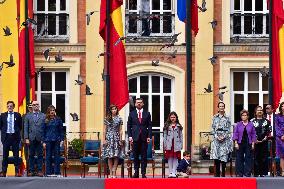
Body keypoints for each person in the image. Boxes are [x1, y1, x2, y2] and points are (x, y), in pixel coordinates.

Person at [127, 98, 152, 178]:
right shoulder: (131, 114)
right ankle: (136, 172)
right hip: (135, 138)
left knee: (144, 156)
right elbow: (129, 126)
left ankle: (143, 172)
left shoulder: (147, 113)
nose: (139, 104)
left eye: (140, 103)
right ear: (135, 104)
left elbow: (149, 126)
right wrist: (130, 136)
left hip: (144, 138)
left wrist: (149, 136)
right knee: (135, 156)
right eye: (137, 103)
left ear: (143, 104)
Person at [210, 102, 232, 177]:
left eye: (223, 106)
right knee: (216, 157)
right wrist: (216, 136)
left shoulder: (227, 117)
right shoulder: (214, 117)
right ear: (218, 108)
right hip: (216, 140)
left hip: (224, 140)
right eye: (220, 106)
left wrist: (224, 136)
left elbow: (229, 129)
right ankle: (217, 175)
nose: (221, 107)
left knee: (223, 158)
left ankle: (223, 175)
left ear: (224, 107)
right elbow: (212, 129)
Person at [0, 101, 22, 177]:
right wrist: (3, 137)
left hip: (15, 137)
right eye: (8, 106)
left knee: (16, 155)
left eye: (11, 106)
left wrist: (17, 135)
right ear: (7, 107)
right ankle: (3, 171)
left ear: (13, 107)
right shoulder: (3, 115)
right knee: (5, 155)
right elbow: (1, 126)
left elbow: (20, 126)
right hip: (6, 137)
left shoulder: (18, 115)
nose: (9, 107)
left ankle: (17, 171)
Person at [24, 101, 45, 177]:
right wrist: (26, 138)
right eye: (34, 105)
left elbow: (45, 128)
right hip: (31, 138)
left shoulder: (43, 115)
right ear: (32, 106)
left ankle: (39, 171)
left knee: (40, 155)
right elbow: (26, 128)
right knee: (31, 155)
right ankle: (31, 171)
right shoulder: (27, 116)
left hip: (40, 138)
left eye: (37, 104)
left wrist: (44, 139)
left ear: (39, 106)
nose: (35, 106)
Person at [42, 105, 64, 176]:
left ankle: (57, 172)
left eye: (53, 110)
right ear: (48, 112)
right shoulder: (45, 120)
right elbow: (43, 131)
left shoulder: (58, 119)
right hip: (48, 140)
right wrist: (43, 141)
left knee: (57, 156)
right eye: (51, 110)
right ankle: (49, 172)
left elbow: (61, 130)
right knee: (48, 156)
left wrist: (62, 140)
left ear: (55, 111)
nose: (52, 111)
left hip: (56, 140)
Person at [102, 104, 123, 178]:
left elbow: (120, 130)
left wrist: (120, 140)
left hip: (116, 138)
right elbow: (104, 130)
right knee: (109, 156)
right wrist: (104, 139)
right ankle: (110, 172)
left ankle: (114, 171)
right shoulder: (107, 119)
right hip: (109, 138)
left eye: (115, 109)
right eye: (112, 109)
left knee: (116, 155)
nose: (114, 110)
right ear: (110, 110)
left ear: (117, 110)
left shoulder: (119, 118)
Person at [233, 109, 256, 177]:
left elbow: (253, 134)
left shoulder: (251, 124)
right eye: (242, 115)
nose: (244, 116)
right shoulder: (238, 124)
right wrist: (236, 143)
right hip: (240, 142)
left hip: (248, 142)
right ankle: (240, 173)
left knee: (248, 158)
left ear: (248, 116)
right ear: (241, 116)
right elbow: (235, 133)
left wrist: (253, 144)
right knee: (239, 158)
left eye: (245, 115)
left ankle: (247, 173)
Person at [251, 106, 271, 177]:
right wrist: (254, 139)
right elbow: (250, 132)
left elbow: (269, 131)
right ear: (255, 112)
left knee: (263, 157)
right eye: (258, 110)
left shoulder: (267, 121)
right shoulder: (252, 121)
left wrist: (266, 137)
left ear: (262, 112)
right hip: (255, 142)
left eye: (261, 110)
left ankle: (263, 173)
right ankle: (256, 173)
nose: (259, 111)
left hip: (264, 141)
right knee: (256, 157)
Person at [163, 111, 183, 178]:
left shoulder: (179, 126)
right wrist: (165, 144)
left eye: (174, 117)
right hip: (169, 144)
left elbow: (181, 136)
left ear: (176, 118)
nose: (173, 118)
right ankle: (170, 172)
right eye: (171, 117)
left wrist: (181, 145)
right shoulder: (167, 126)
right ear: (169, 118)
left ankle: (174, 172)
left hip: (176, 144)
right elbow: (164, 136)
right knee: (170, 158)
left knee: (175, 158)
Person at [275, 102, 284, 177]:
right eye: (282, 106)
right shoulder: (277, 116)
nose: (283, 107)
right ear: (280, 108)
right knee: (282, 155)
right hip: (280, 138)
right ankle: (283, 171)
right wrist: (281, 135)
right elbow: (276, 127)